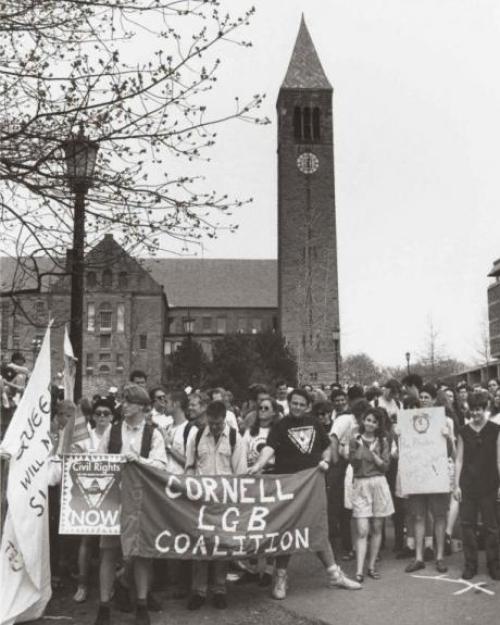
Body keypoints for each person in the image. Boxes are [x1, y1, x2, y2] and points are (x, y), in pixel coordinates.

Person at [249, 389, 361, 599]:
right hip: (289, 486)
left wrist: (326, 460)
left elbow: (326, 447)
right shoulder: (280, 426)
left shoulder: (314, 423)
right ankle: (281, 577)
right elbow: (269, 448)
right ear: (289, 404)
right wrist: (257, 465)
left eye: (302, 404)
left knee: (317, 527)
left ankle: (334, 575)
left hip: (313, 484)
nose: (297, 407)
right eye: (294, 403)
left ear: (308, 406)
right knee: (287, 530)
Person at [94, 384, 167, 625]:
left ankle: (142, 605)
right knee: (108, 552)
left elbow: (161, 466)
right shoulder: (112, 431)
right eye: (123, 401)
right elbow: (97, 461)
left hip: (140, 502)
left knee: (141, 553)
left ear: (141, 406)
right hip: (113, 501)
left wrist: (140, 461)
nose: (123, 405)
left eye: (128, 401)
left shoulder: (153, 433)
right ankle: (104, 606)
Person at [185, 400, 247, 610]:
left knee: (221, 545)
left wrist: (236, 502)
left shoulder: (234, 437)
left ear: (224, 419)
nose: (214, 428)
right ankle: (198, 591)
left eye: (218, 424)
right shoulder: (196, 436)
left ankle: (220, 589)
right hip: (202, 500)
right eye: (211, 423)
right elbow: (190, 467)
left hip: (224, 502)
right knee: (201, 545)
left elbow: (240, 472)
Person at [404, 384, 454, 574]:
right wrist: (400, 437)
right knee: (418, 516)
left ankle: (439, 556)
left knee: (439, 516)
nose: (423, 400)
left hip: (436, 474)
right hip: (418, 475)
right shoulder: (410, 420)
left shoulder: (445, 421)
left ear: (434, 399)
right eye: (421, 397)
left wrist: (447, 437)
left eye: (427, 397)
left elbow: (451, 452)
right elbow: (405, 451)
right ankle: (418, 557)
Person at [454, 393, 500, 580]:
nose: (475, 413)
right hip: (468, 485)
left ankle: (494, 564)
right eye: (472, 409)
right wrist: (456, 485)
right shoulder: (464, 431)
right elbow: (458, 460)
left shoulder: (496, 430)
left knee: (491, 527)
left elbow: (499, 459)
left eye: (478, 409)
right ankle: (470, 564)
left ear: (486, 408)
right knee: (467, 526)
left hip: (489, 483)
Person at [73, 398, 115, 603]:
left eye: (106, 413)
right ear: (93, 416)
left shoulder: (117, 436)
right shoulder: (84, 437)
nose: (102, 417)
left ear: (112, 416)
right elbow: (73, 461)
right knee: (87, 541)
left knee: (111, 546)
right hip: (88, 495)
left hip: (113, 498)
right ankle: (82, 584)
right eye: (98, 413)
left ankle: (111, 585)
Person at [349, 407, 394, 581]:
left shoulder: (382, 441)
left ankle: (371, 566)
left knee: (376, 527)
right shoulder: (355, 440)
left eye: (374, 422)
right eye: (368, 420)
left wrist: (374, 455)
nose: (370, 424)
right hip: (361, 484)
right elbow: (353, 463)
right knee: (362, 529)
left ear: (378, 425)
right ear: (363, 420)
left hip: (379, 484)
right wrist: (361, 450)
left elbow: (385, 467)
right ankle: (359, 570)